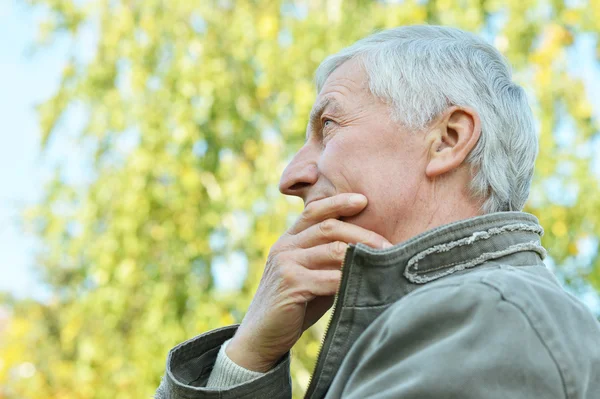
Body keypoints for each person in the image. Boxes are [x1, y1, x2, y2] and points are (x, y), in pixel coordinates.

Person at [155, 25, 600, 398]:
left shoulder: (487, 316)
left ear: (447, 139)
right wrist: (245, 360)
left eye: (328, 126)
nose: (290, 177)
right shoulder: (471, 319)